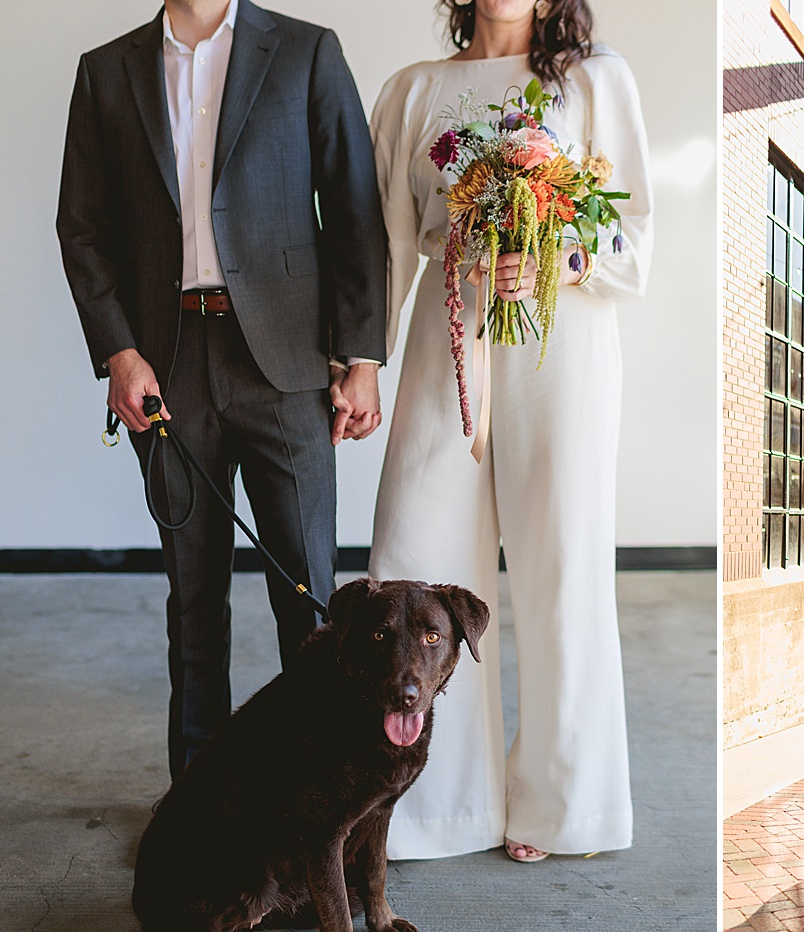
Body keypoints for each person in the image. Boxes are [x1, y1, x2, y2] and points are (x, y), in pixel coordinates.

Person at [57, 0, 386, 780]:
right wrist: (119, 353)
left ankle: (316, 811)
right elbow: (82, 227)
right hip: (166, 368)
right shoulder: (107, 72)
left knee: (307, 605)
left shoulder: (307, 53)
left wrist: (362, 355)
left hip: (287, 364)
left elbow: (354, 210)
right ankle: (200, 816)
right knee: (194, 608)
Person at [368, 0, 652, 861]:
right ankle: (422, 805)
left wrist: (567, 257)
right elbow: (380, 245)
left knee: (560, 564)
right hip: (444, 333)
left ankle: (562, 807)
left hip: (560, 342)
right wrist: (356, 365)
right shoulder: (413, 91)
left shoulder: (596, 81)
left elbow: (633, 233)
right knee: (415, 557)